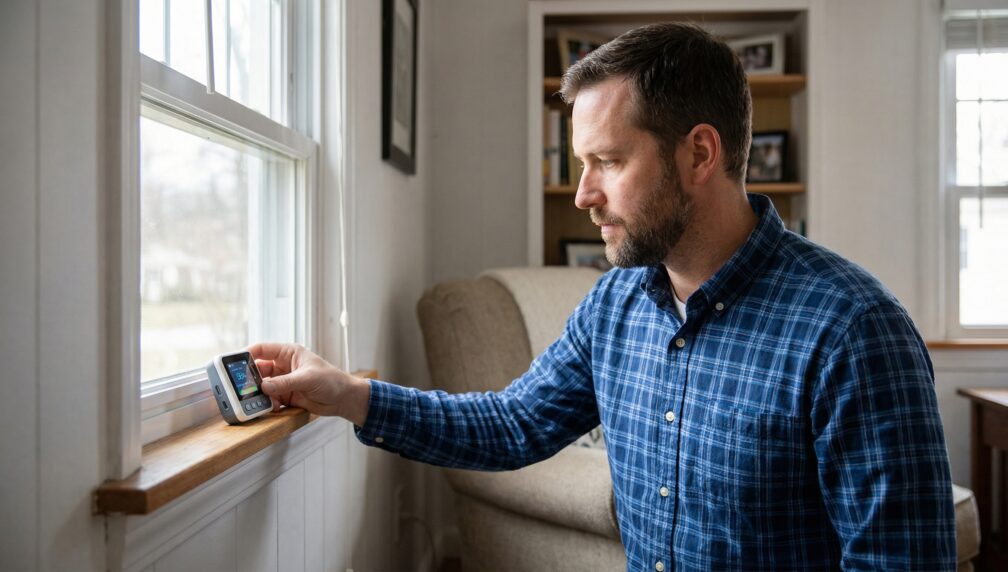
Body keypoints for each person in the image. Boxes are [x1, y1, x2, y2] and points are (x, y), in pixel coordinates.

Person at [250, 22, 955, 570]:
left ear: (699, 154)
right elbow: (512, 424)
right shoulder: (614, 305)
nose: (585, 194)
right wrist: (346, 395)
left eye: (608, 162)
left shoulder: (856, 331)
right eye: (582, 164)